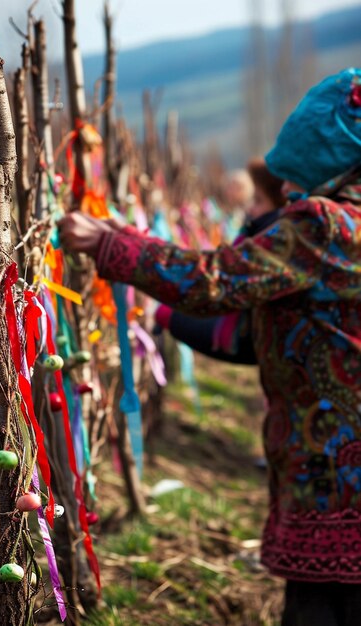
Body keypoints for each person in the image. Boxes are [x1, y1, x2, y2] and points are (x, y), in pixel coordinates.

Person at [59, 68, 361, 625]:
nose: (289, 196)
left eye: (296, 181)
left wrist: (111, 243)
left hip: (337, 485)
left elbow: (212, 281)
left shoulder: (325, 226)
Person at [154, 158, 285, 365]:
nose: (251, 210)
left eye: (258, 200)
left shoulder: (274, 258)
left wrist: (171, 317)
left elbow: (242, 334)